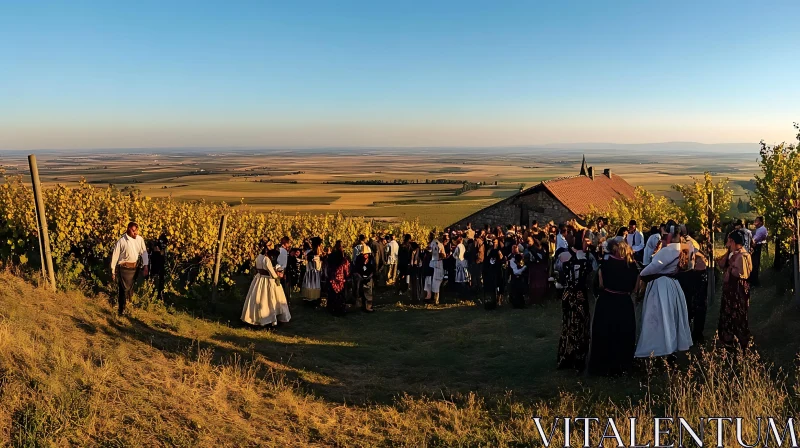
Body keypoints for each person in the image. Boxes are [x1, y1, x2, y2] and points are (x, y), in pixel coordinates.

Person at [635, 226, 693, 358]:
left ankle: (659, 347)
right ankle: (671, 346)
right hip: (673, 284)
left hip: (661, 285)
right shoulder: (685, 248)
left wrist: (641, 274)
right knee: (671, 317)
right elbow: (689, 266)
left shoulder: (668, 251)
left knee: (659, 317)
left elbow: (653, 267)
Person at [588, 240, 640, 376]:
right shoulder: (632, 265)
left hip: (607, 302)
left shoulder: (604, 264)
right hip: (624, 303)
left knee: (605, 333)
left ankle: (602, 366)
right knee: (623, 334)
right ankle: (622, 365)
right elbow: (635, 288)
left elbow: (600, 284)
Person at [557, 237, 592, 371]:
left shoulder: (563, 256)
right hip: (579, 295)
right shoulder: (584, 258)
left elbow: (559, 275)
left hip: (568, 293)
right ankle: (578, 359)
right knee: (580, 325)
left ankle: (566, 356)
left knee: (569, 324)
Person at [717, 231, 753, 350]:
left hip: (738, 288)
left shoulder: (742, 255)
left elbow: (741, 273)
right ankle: (728, 338)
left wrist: (731, 267)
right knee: (728, 312)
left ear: (732, 241)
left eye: (729, 240)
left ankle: (740, 341)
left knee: (738, 313)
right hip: (731, 289)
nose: (727, 243)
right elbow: (721, 264)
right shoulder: (732, 253)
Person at [241, 245, 291, 327]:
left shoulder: (258, 257)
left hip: (259, 278)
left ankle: (255, 317)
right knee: (269, 299)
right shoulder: (266, 259)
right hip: (268, 280)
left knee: (257, 297)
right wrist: (278, 276)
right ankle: (269, 319)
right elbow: (271, 272)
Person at [110, 222, 150, 316]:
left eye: (136, 230)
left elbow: (144, 253)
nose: (135, 232)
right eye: (133, 230)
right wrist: (113, 270)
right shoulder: (122, 241)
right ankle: (121, 310)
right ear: (128, 229)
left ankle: (128, 306)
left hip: (133, 269)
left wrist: (146, 266)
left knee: (130, 289)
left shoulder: (139, 239)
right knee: (123, 289)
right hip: (123, 269)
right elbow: (115, 256)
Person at [325, 241, 350, 316]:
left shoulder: (330, 256)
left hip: (332, 278)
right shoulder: (343, 258)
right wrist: (347, 276)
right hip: (341, 278)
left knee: (333, 294)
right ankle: (340, 309)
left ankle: (332, 309)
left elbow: (327, 267)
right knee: (340, 295)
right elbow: (346, 269)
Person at [483, 236, 505, 309]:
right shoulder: (490, 250)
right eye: (493, 242)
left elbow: (502, 259)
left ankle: (499, 300)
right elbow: (488, 259)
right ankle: (493, 300)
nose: (494, 243)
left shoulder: (500, 250)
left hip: (498, 270)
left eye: (495, 242)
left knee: (499, 285)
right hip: (492, 271)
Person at [526, 236, 549, 305]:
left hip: (538, 268)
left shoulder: (537, 249)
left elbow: (541, 258)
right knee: (534, 284)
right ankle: (534, 300)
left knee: (539, 283)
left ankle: (539, 299)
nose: (528, 243)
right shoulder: (530, 249)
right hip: (533, 268)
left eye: (529, 241)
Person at [424, 232, 445, 304]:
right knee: (437, 281)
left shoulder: (432, 244)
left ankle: (432, 298)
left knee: (433, 281)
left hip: (433, 264)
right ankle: (436, 299)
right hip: (438, 263)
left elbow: (429, 253)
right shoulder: (441, 245)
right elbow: (444, 255)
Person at [354, 245, 376, 312]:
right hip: (361, 277)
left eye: (366, 254)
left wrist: (370, 276)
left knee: (369, 292)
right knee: (361, 291)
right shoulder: (359, 259)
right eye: (363, 254)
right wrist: (359, 276)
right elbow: (356, 269)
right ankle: (362, 306)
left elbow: (373, 270)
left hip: (369, 276)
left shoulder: (371, 259)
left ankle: (369, 307)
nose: (364, 256)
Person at [148, 230, 168, 301]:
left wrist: (160, 250)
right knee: (153, 276)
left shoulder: (164, 236)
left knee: (161, 278)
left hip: (161, 260)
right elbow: (151, 246)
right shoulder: (153, 234)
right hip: (154, 260)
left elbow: (165, 247)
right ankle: (151, 293)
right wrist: (154, 248)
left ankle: (160, 294)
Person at [751, 216, 767, 287]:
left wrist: (752, 242)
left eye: (757, 221)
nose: (755, 222)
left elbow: (754, 240)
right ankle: (754, 280)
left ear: (760, 222)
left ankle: (754, 282)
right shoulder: (759, 229)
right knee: (754, 263)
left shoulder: (761, 230)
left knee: (754, 263)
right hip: (756, 247)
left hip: (757, 247)